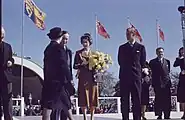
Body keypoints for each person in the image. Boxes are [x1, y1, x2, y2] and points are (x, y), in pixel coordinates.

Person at [41, 27, 74, 120]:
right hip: (59, 82)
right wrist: (69, 79)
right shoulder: (59, 48)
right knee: (52, 106)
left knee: (63, 104)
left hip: (49, 81)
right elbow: (63, 65)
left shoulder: (47, 49)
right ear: (60, 37)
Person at [118, 27, 146, 120]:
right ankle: (125, 118)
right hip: (125, 77)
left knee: (137, 100)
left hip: (136, 77)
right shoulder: (122, 48)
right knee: (124, 100)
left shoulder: (141, 48)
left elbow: (142, 62)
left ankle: (137, 118)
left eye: (128, 34)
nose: (126, 36)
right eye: (126, 34)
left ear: (133, 35)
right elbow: (120, 61)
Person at [73, 33, 99, 120]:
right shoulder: (78, 53)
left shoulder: (95, 53)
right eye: (83, 42)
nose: (85, 44)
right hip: (83, 77)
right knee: (83, 97)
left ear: (89, 42)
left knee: (92, 97)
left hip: (92, 78)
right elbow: (74, 66)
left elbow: (98, 65)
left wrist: (98, 66)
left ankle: (92, 117)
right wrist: (81, 64)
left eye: (86, 42)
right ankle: (84, 117)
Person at [51, 30, 75, 120]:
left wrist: (71, 79)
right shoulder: (56, 49)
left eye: (67, 39)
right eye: (64, 38)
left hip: (67, 79)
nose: (65, 41)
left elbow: (69, 67)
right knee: (57, 103)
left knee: (66, 102)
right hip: (58, 80)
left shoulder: (69, 51)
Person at [149, 47, 171, 119]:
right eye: (159, 52)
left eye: (161, 52)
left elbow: (168, 72)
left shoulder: (167, 61)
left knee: (167, 99)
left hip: (166, 84)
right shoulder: (152, 62)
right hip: (157, 83)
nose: (160, 53)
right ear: (156, 53)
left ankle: (167, 115)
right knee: (159, 99)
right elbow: (150, 72)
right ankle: (159, 114)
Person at [0, 26, 14, 120]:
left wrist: (11, 62)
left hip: (6, 78)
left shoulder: (8, 46)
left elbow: (11, 58)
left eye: (2, 34)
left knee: (8, 101)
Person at [173, 47, 185, 119]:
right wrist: (180, 58)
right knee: (182, 96)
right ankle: (184, 113)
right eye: (181, 52)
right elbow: (175, 64)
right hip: (182, 78)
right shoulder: (180, 59)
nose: (183, 52)